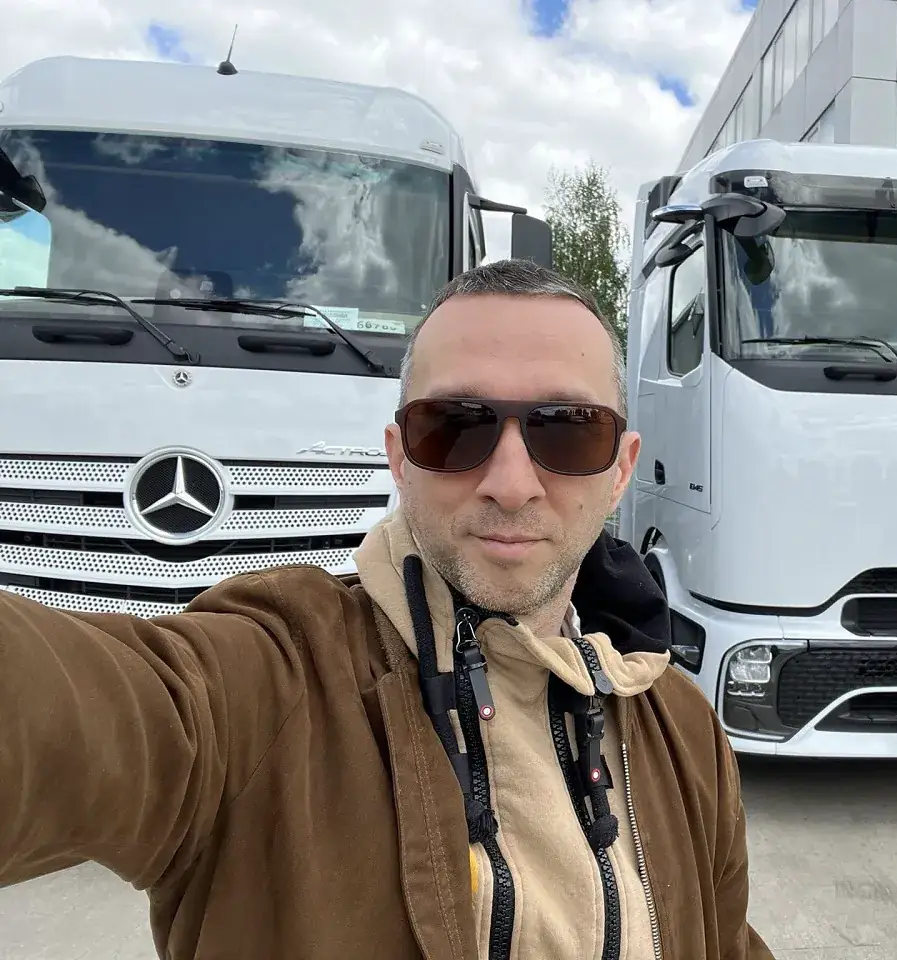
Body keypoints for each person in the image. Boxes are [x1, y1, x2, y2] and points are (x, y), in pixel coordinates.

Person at [0, 258, 775, 960]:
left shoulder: (681, 729)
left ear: (621, 470)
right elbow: (72, 708)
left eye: (569, 432)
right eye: (456, 427)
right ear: (399, 457)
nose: (512, 484)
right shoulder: (270, 686)